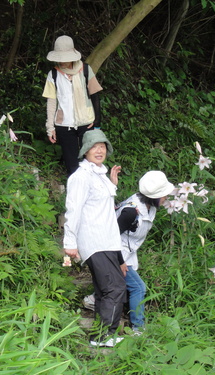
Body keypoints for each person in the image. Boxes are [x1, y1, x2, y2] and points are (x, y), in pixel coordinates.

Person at [83, 171, 174, 335]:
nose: (166, 197)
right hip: (112, 252)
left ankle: (93, 299)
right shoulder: (131, 212)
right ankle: (138, 328)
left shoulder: (149, 206)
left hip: (126, 252)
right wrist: (120, 261)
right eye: (164, 195)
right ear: (154, 196)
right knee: (138, 287)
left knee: (124, 286)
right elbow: (110, 236)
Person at [63, 129, 126, 347]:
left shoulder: (98, 175)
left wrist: (112, 184)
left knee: (104, 290)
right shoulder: (80, 177)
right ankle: (104, 336)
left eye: (102, 146)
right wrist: (69, 243)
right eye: (94, 146)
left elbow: (101, 204)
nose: (99, 150)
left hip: (107, 241)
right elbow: (73, 209)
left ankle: (101, 335)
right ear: (85, 150)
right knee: (115, 288)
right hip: (95, 241)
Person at [42, 35, 103, 176]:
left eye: (65, 58)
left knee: (92, 162)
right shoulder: (53, 75)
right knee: (72, 165)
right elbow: (51, 103)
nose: (62, 62)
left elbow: (95, 96)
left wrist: (97, 122)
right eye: (60, 58)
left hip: (86, 122)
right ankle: (75, 195)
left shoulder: (85, 70)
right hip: (64, 125)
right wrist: (50, 127)